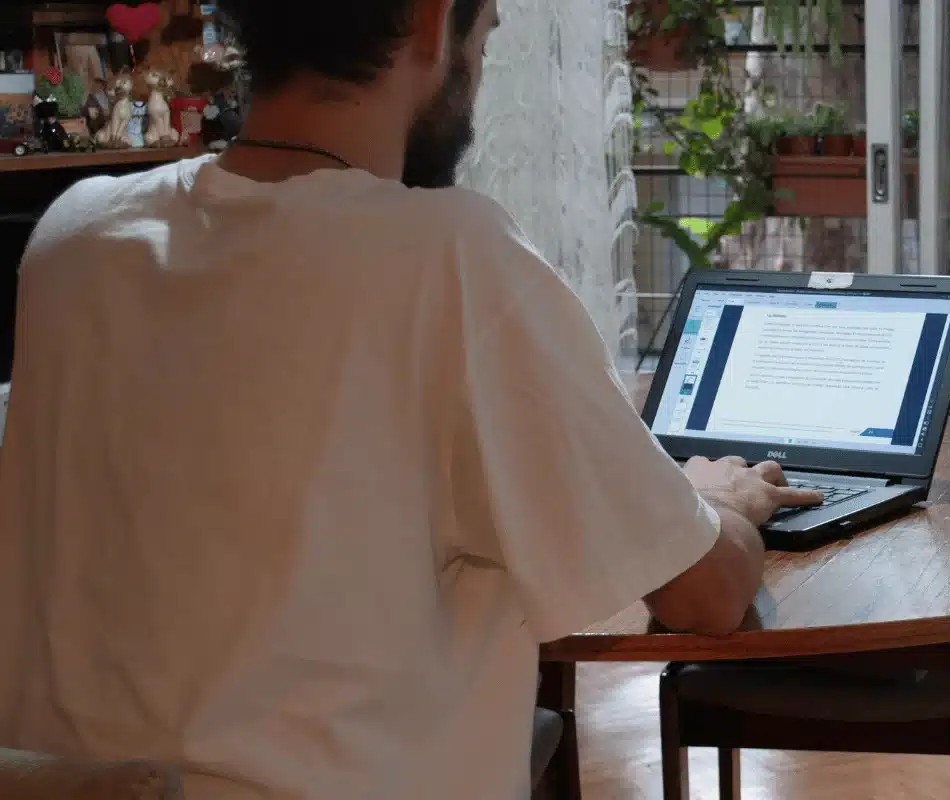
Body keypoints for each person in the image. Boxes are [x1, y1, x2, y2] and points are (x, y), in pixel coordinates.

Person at [0, 0, 822, 797]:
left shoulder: (76, 239)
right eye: (485, 36)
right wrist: (722, 501)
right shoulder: (449, 258)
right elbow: (706, 594)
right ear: (433, 21)